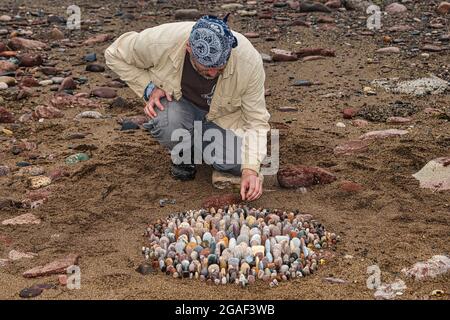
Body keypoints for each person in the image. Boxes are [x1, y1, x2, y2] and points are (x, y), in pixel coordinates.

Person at [105, 15, 270, 201]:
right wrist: (149, 88)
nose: (213, 73)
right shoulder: (161, 41)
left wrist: (250, 171)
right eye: (206, 68)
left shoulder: (248, 62)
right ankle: (184, 151)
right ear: (189, 48)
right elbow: (114, 53)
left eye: (220, 67)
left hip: (222, 119)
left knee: (241, 162)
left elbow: (256, 120)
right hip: (179, 108)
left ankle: (201, 145)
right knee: (169, 124)